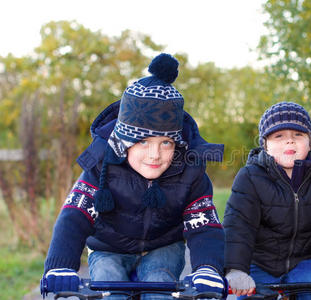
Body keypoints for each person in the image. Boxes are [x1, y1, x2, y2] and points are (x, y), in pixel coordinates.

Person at [41, 53, 226, 299]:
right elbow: (74, 217)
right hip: (108, 247)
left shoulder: (190, 173)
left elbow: (205, 226)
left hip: (163, 246)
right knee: (108, 282)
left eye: (166, 143)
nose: (155, 154)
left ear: (178, 143)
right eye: (143, 142)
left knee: (159, 284)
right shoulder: (100, 167)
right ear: (124, 142)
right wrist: (60, 265)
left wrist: (208, 268)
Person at [223, 102, 311, 300]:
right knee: (251, 296)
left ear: (310, 141)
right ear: (266, 145)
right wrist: (235, 270)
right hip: (259, 261)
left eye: (298, 135)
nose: (290, 142)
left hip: (302, 260)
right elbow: (238, 225)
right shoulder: (250, 176)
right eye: (279, 136)